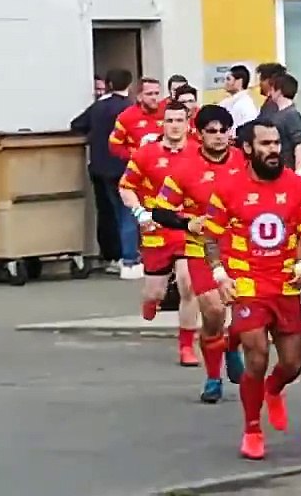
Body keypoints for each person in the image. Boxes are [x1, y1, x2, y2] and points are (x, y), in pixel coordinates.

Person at [190, 117, 301, 460]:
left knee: (292, 364)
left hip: (285, 285)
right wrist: (220, 275)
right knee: (257, 353)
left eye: (276, 143)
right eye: (265, 144)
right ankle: (252, 428)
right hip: (247, 284)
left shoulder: (298, 187)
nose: (273, 150)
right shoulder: (229, 187)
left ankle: (274, 390)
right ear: (247, 148)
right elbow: (211, 235)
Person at [155, 105, 248, 402]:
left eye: (224, 131)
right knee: (214, 312)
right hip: (201, 250)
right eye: (212, 131)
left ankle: (232, 344)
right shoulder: (184, 167)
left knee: (246, 315)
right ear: (200, 133)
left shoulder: (245, 161)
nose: (219, 136)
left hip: (244, 250)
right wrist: (187, 222)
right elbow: (159, 210)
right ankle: (212, 378)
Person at [118, 101, 201, 366]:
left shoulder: (200, 154)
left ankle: (187, 346)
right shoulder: (146, 154)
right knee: (155, 291)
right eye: (170, 121)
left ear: (188, 123)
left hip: (188, 229)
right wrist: (140, 213)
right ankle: (150, 302)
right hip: (156, 229)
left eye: (180, 120)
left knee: (189, 284)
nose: (175, 126)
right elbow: (125, 187)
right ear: (162, 124)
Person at [71, 68, 136, 276]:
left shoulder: (98, 108)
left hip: (100, 168)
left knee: (109, 213)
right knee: (128, 214)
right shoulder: (131, 109)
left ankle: (112, 255)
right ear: (130, 84)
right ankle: (129, 258)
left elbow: (76, 125)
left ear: (108, 84)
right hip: (125, 167)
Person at [109, 77, 166, 165]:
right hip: (139, 169)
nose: (154, 97)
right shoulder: (126, 117)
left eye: (157, 93)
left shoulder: (168, 113)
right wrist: (135, 155)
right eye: (149, 94)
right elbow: (115, 145)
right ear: (139, 97)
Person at [269, 73, 301, 179]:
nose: (270, 93)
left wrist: (298, 172)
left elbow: (299, 144)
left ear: (278, 91)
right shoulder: (279, 114)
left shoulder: (291, 114)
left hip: (289, 171)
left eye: (272, 89)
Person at [219, 64, 260, 133]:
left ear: (239, 81)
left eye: (228, 79)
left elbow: (248, 131)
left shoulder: (246, 105)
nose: (225, 82)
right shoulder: (228, 102)